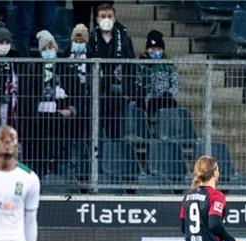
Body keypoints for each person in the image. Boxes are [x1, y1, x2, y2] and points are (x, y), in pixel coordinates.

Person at [20, 30, 81, 175]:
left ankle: (58, 167)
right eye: (44, 48)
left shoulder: (65, 68)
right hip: (37, 121)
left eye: (51, 47)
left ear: (56, 47)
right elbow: (27, 96)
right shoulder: (33, 69)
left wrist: (69, 109)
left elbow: (75, 92)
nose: (48, 51)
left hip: (59, 118)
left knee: (58, 146)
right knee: (38, 151)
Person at [87, 3, 136, 139]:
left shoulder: (125, 40)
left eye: (109, 16)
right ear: (97, 19)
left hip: (119, 92)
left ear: (114, 19)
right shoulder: (91, 40)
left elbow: (131, 67)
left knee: (117, 128)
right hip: (98, 92)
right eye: (103, 16)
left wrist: (128, 91)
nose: (106, 19)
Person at [135, 30, 180, 119]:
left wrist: (169, 93)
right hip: (149, 99)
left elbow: (175, 83)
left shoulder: (169, 66)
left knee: (170, 104)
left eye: (159, 49)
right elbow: (137, 81)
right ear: (147, 50)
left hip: (166, 98)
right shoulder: (141, 65)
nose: (155, 52)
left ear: (163, 50)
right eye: (152, 49)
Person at [66, 24, 92, 142]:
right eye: (76, 40)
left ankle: (81, 142)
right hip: (69, 91)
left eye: (81, 40)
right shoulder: (67, 51)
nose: (78, 42)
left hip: (85, 91)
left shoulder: (90, 52)